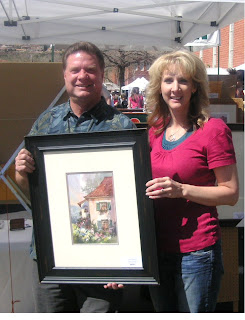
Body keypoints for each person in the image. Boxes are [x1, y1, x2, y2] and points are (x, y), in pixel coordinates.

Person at [15, 41, 134, 313]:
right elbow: (29, 189)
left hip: (104, 263)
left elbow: (133, 199)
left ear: (103, 75)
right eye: (75, 70)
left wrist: (126, 262)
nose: (83, 76)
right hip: (51, 255)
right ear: (65, 75)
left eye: (90, 70)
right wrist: (22, 172)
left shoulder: (122, 127)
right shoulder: (46, 123)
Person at [145, 50, 239, 313]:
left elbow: (230, 193)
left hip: (196, 253)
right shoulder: (155, 130)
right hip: (157, 250)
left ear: (195, 86)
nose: (175, 88)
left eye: (184, 81)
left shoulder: (213, 130)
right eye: (168, 80)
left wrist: (181, 190)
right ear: (159, 86)